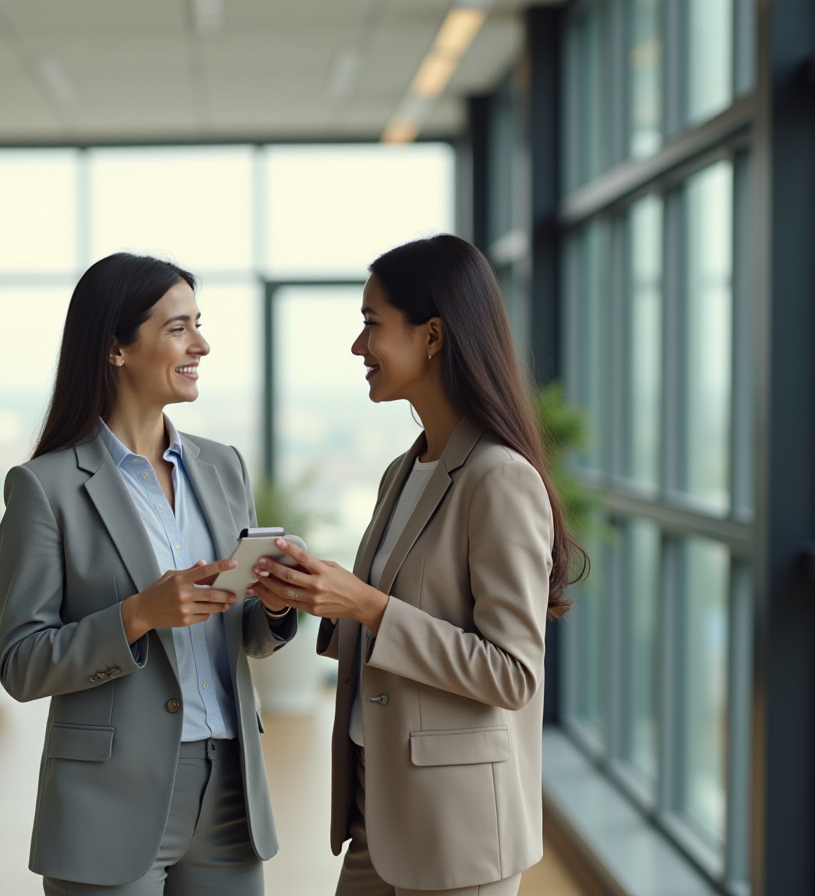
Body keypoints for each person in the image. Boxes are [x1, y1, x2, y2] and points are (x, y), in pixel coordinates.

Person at [249, 234, 584, 896]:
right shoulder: (404, 472)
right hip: (381, 808)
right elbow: (400, 626)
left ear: (432, 336)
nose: (358, 347)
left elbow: (512, 674)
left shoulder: (498, 478)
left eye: (372, 324)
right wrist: (312, 595)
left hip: (457, 826)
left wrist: (366, 603)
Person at [0, 252, 299, 895]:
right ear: (116, 349)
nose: (202, 344)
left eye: (199, 324)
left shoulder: (223, 467)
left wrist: (273, 604)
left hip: (230, 795)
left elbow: (242, 633)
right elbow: (21, 664)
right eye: (178, 327)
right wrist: (137, 616)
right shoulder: (45, 488)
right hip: (108, 800)